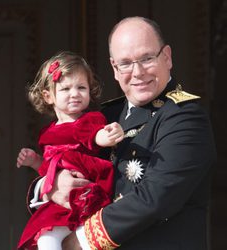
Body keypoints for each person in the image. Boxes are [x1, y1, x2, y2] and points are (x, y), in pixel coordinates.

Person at [30, 16, 216, 250]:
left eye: (147, 58)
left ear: (167, 57)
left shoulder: (184, 117)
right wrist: (52, 185)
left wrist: (81, 240)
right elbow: (62, 153)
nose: (137, 72)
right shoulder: (104, 115)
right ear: (114, 69)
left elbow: (156, 197)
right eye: (125, 63)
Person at [16, 51, 124, 250]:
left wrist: (108, 136)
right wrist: (35, 162)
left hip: (86, 193)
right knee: (47, 238)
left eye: (81, 87)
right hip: (60, 202)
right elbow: (51, 169)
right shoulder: (48, 132)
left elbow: (95, 136)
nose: (75, 93)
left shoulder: (90, 120)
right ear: (48, 96)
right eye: (65, 88)